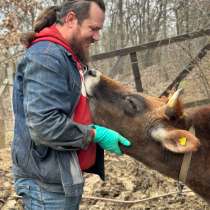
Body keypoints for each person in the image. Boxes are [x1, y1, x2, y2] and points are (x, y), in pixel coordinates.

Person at [12, 0, 131, 209]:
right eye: (93, 29)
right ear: (71, 19)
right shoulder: (47, 57)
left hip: (62, 178)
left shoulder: (66, 56)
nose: (97, 37)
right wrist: (95, 134)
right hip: (46, 187)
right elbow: (44, 126)